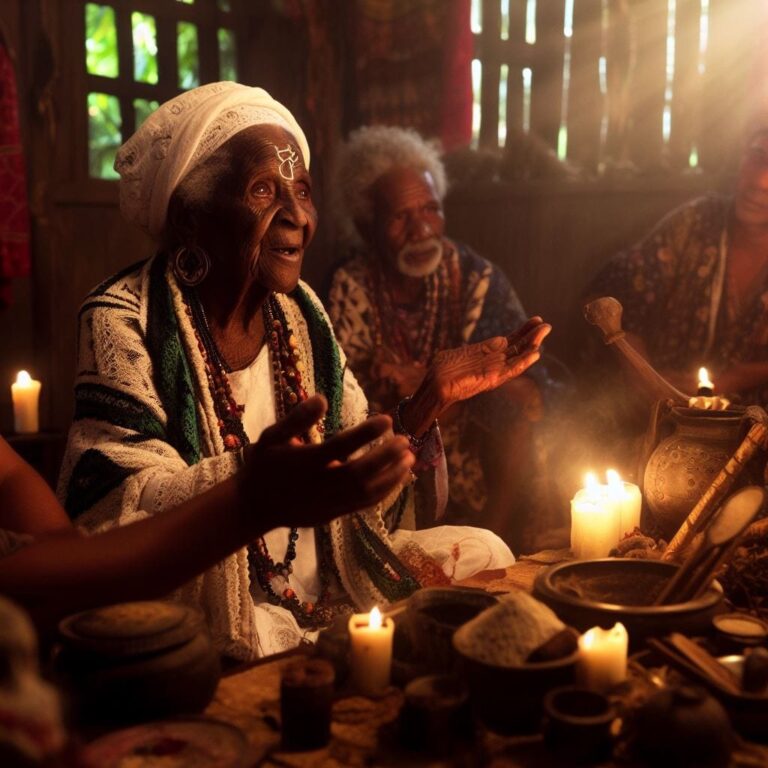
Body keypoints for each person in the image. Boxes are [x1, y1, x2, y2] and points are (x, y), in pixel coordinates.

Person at [57, 83, 551, 660]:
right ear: (191, 215)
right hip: (226, 596)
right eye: (264, 189)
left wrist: (428, 400)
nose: (295, 216)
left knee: (486, 549)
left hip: (325, 582)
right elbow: (114, 508)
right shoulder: (126, 316)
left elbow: (358, 494)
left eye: (302, 191)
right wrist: (251, 480)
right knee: (254, 640)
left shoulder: (301, 314)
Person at [0, 401, 411, 633]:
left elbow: (62, 559)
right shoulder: (129, 313)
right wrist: (250, 502)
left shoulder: (308, 316)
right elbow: (41, 588)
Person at [327, 125, 552, 545]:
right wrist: (415, 399)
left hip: (473, 453)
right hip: (390, 447)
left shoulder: (475, 279)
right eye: (400, 217)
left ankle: (498, 543)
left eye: (430, 209)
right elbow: (342, 400)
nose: (421, 229)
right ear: (367, 223)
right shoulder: (350, 285)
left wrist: (429, 385)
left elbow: (531, 396)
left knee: (515, 412)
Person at [587, 115, 768, 408]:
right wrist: (645, 378)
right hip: (660, 410)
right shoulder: (695, 224)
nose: (760, 181)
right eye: (757, 157)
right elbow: (609, 293)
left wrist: (732, 380)